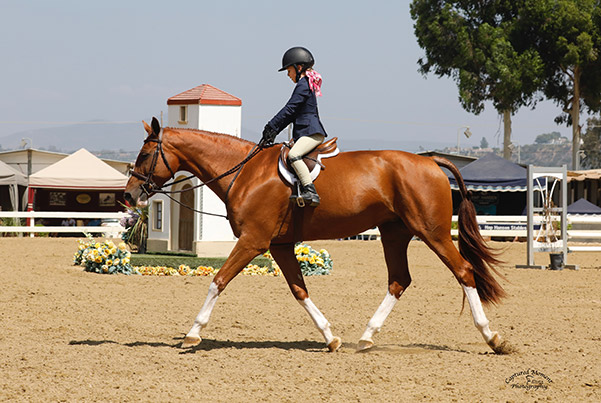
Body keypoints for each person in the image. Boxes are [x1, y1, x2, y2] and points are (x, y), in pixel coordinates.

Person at [262, 46, 327, 207]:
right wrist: (274, 131)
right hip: (305, 132)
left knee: (293, 156)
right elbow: (291, 114)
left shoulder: (304, 84)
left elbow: (290, 109)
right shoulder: (306, 83)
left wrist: (271, 126)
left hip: (311, 132)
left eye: (289, 70)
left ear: (299, 68)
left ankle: (309, 191)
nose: (288, 74)